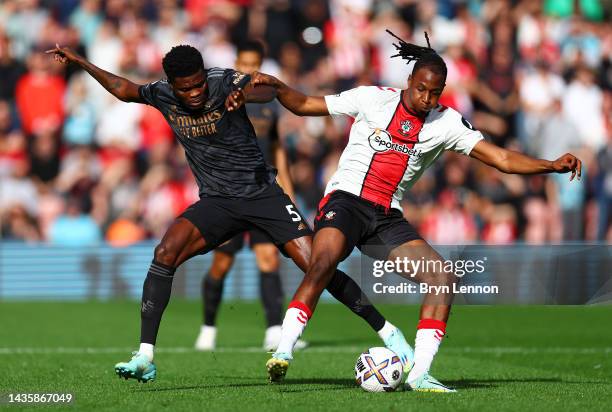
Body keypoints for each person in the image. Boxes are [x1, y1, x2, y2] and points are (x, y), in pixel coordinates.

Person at [46, 43, 414, 383]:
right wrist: (80, 62)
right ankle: (145, 355)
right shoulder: (160, 93)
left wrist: (247, 94)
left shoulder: (224, 82)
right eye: (185, 88)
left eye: (197, 85)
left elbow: (265, 86)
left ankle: (389, 333)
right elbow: (124, 89)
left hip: (263, 196)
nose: (193, 93)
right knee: (164, 254)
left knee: (319, 265)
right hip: (217, 202)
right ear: (172, 85)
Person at [251, 31, 581, 391]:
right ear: (409, 81)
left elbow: (500, 158)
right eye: (421, 88)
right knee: (323, 261)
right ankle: (283, 351)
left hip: (386, 218)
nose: (426, 98)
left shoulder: (448, 123)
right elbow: (305, 105)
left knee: (443, 279)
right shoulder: (372, 98)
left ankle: (420, 374)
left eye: (434, 92)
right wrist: (277, 86)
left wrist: (550, 165)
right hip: (346, 201)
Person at [194, 40, 306, 352]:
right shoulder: (218, 97)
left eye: (253, 64)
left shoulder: (268, 102)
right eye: (243, 63)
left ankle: (273, 330)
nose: (247, 70)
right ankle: (208, 328)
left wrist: (289, 190)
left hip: (263, 192)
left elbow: (277, 148)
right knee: (221, 263)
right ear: (235, 62)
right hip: (229, 193)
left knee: (268, 260)